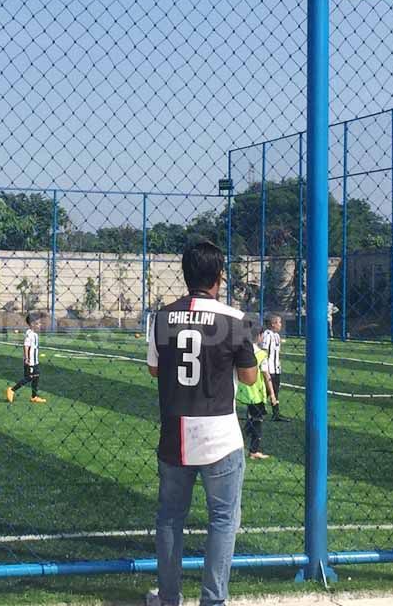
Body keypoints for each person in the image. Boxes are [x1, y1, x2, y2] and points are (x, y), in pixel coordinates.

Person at [145, 241, 257, 606]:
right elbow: (252, 377)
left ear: (185, 273)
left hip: (175, 432)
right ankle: (213, 599)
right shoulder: (236, 319)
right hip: (220, 434)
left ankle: (169, 598)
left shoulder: (162, 317)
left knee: (170, 519)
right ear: (219, 275)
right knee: (223, 520)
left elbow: (154, 368)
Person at [238, 324, 274, 460]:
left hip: (243, 392)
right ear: (259, 336)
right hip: (256, 393)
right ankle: (253, 450)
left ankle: (242, 443)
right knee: (257, 421)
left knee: (252, 419)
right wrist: (273, 395)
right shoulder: (261, 354)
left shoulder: (241, 351)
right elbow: (266, 375)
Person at [6, 312, 46, 404]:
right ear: (32, 324)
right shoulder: (30, 334)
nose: (40, 325)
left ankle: (34, 397)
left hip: (35, 361)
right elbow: (26, 346)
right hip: (30, 361)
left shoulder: (34, 334)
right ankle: (12, 390)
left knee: (36, 377)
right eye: (38, 323)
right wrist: (27, 358)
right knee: (29, 377)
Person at [260, 313, 289, 422]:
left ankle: (275, 413)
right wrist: (264, 367)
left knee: (275, 391)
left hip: (276, 368)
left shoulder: (276, 335)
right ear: (273, 324)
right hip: (269, 369)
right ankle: (258, 410)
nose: (281, 325)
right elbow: (264, 351)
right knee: (268, 391)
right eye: (279, 322)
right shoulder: (267, 335)